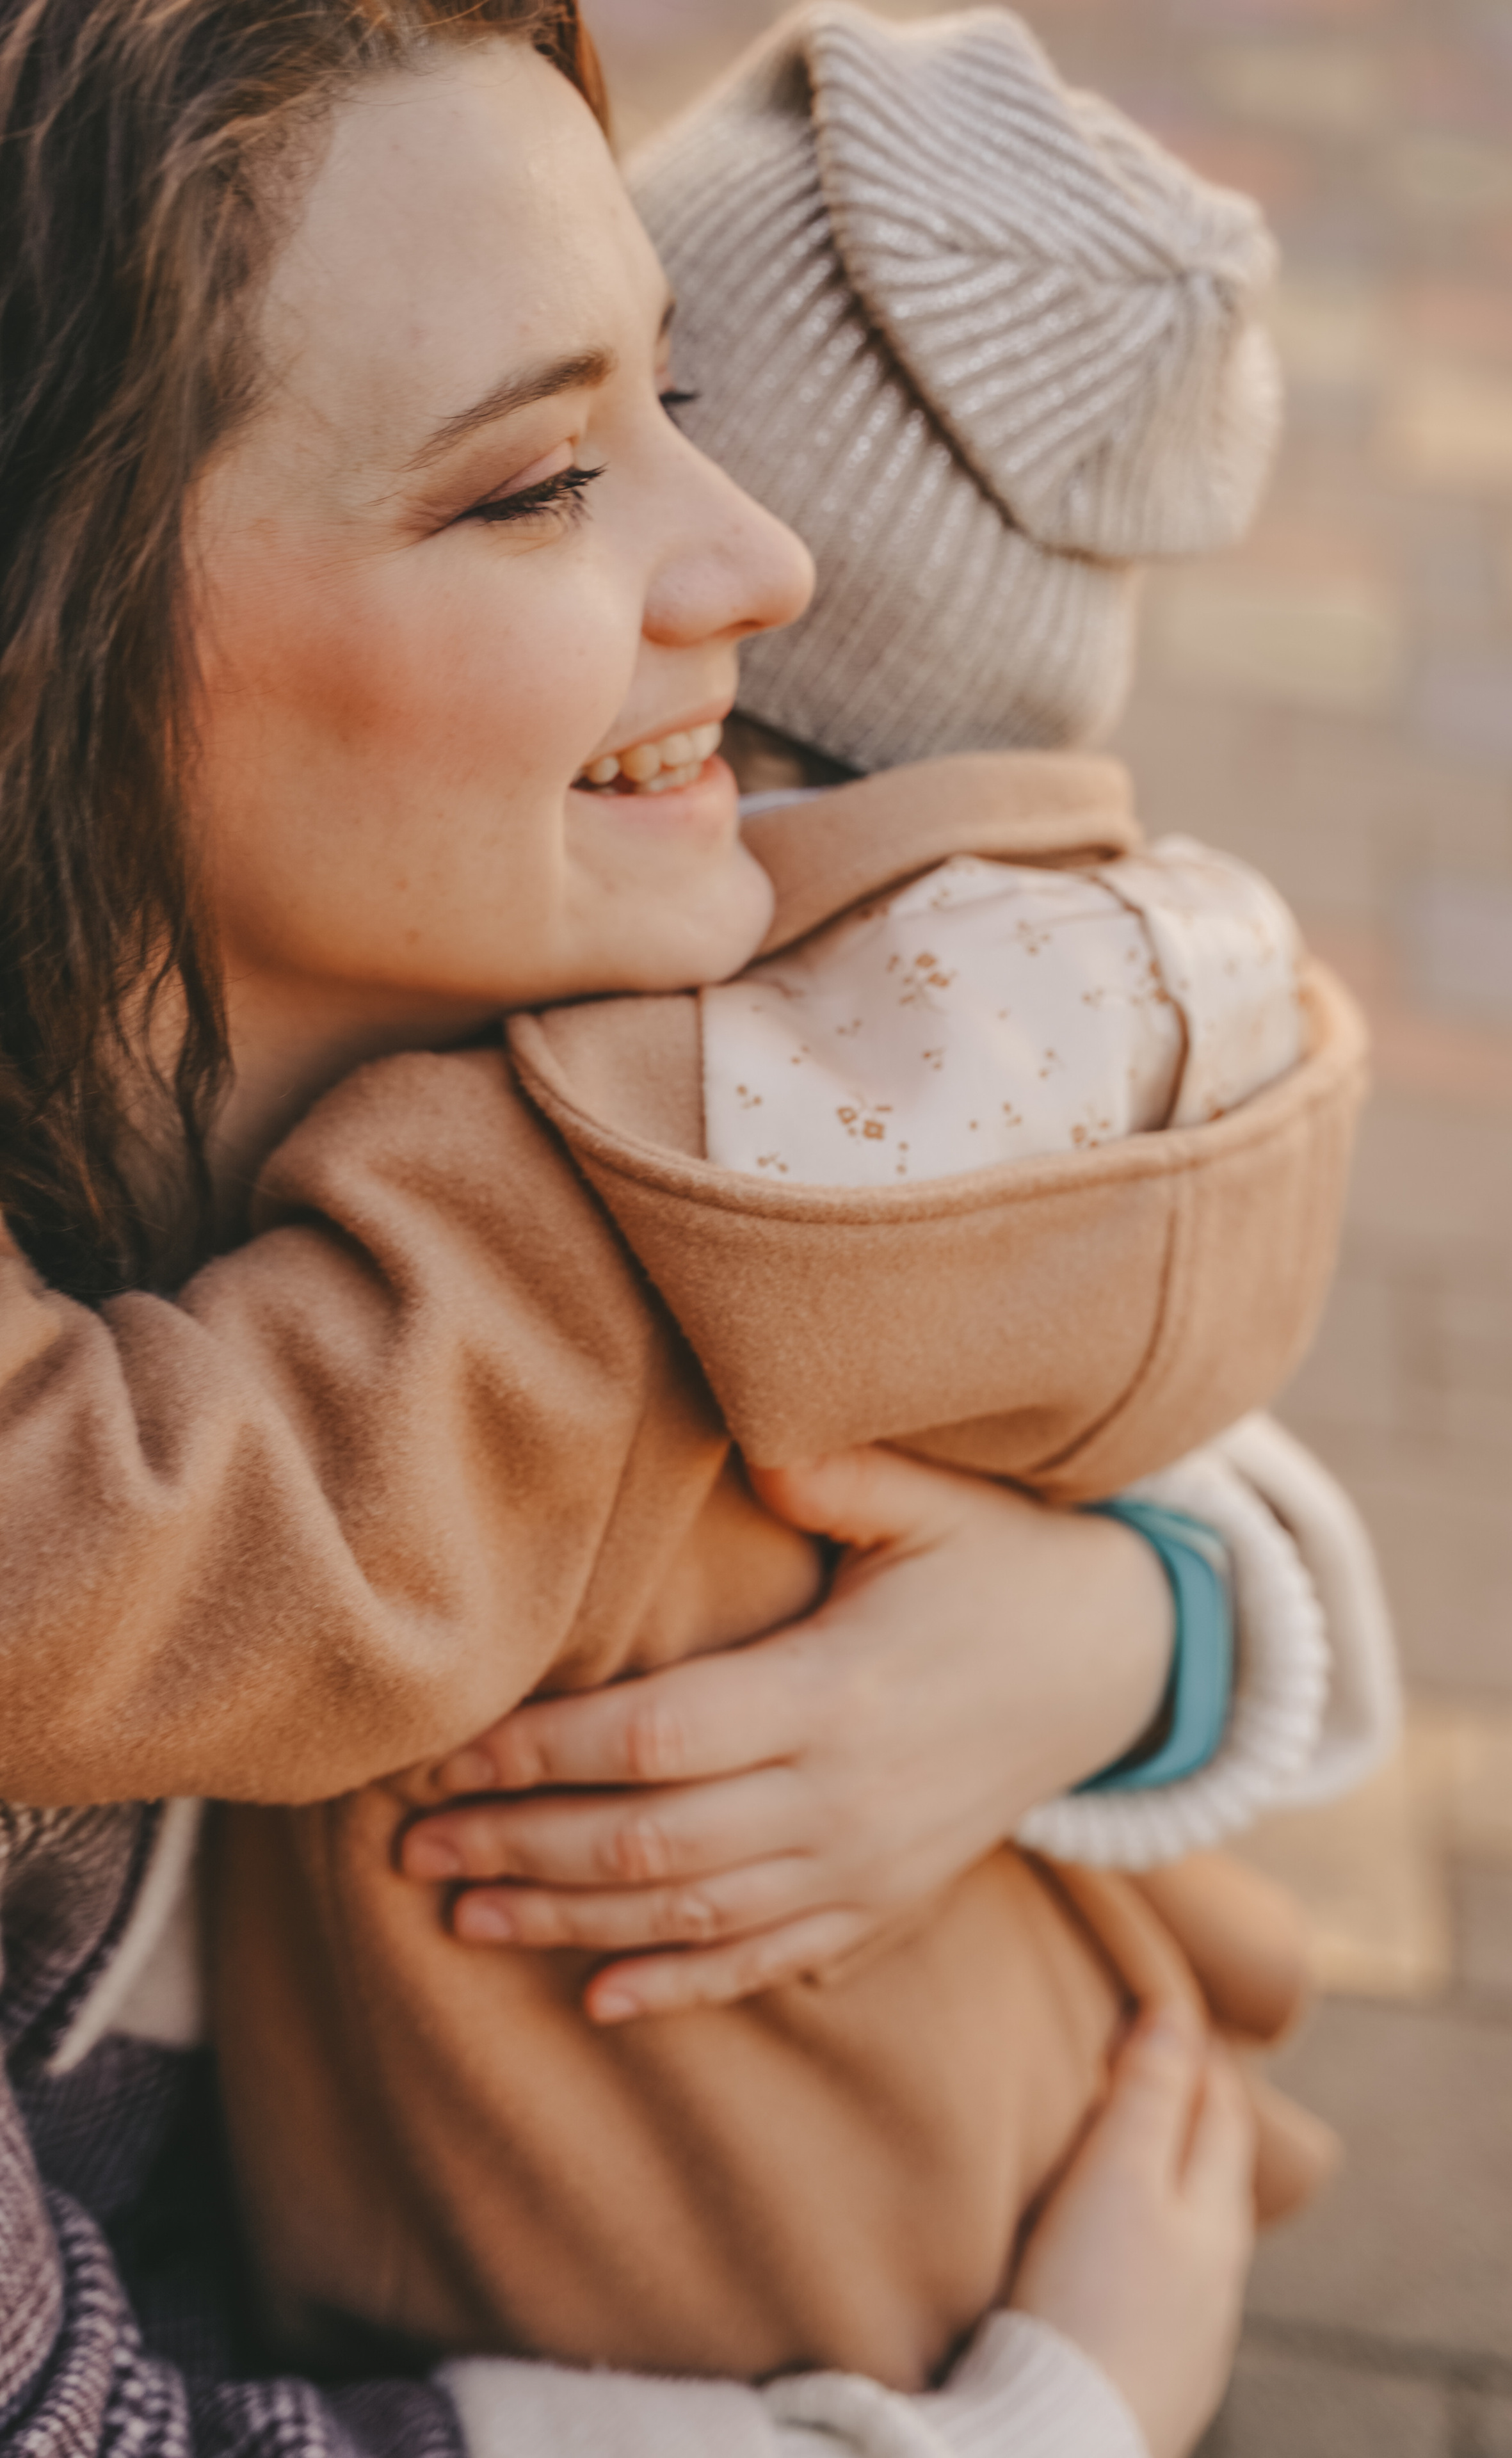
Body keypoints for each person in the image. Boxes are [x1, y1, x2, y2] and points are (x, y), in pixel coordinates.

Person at [0, 2, 1387, 2453]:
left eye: (684, 398)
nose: (764, 563)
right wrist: (1020, 2434)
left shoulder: (543, 1019)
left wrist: (1129, 1627)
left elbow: (998, 1332)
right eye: (535, 483)